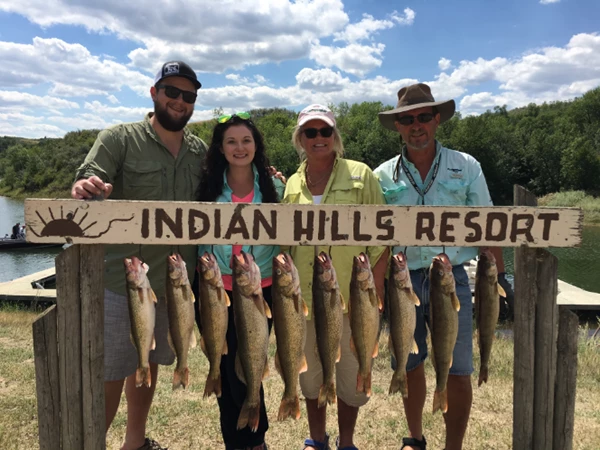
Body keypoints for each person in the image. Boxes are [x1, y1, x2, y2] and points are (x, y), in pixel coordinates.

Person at [71, 60, 206, 450]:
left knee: (145, 367)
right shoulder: (119, 138)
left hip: (175, 282)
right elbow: (89, 174)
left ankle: (134, 443)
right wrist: (86, 185)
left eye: (189, 96)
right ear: (154, 93)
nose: (180, 101)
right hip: (123, 281)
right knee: (112, 370)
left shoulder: (199, 150)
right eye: (173, 92)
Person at [374, 83, 512, 450]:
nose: (416, 125)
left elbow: (489, 225)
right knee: (411, 361)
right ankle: (415, 438)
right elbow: (376, 237)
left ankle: (453, 447)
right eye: (407, 119)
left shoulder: (465, 166)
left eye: (423, 117)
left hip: (454, 278)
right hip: (404, 281)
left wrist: (499, 275)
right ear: (398, 126)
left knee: (457, 366)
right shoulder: (382, 175)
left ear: (436, 119)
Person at [283, 104, 389, 450]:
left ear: (335, 136)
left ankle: (346, 442)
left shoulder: (361, 175)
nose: (318, 138)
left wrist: (373, 296)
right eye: (310, 132)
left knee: (350, 377)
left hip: (352, 298)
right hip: (303, 302)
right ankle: (316, 438)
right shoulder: (292, 184)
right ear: (300, 139)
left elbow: (381, 241)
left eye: (324, 131)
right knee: (311, 377)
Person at [195, 112, 285, 450]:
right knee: (222, 367)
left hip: (258, 291)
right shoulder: (207, 187)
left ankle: (254, 442)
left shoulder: (274, 187)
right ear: (220, 147)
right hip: (213, 288)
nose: (239, 147)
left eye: (246, 140)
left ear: (256, 146)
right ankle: (241, 442)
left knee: (248, 366)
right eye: (231, 141)